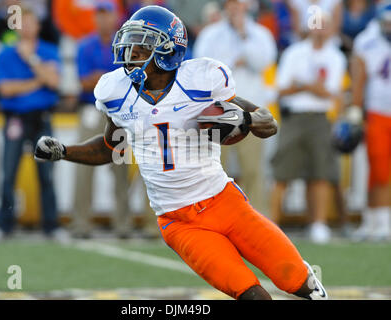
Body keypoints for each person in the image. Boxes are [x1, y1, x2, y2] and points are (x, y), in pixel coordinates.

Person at [34, 5, 328, 300]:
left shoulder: (200, 80)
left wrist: (245, 120)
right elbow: (109, 147)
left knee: (295, 278)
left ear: (166, 49)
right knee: (252, 295)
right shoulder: (115, 92)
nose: (130, 49)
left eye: (141, 43)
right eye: (130, 41)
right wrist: (64, 151)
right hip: (179, 223)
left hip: (225, 203)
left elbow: (268, 121)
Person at [0, 8, 69, 244]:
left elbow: (54, 82)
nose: (27, 28)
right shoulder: (5, 53)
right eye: (23, 23)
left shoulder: (48, 50)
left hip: (42, 117)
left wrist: (31, 60)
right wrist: (37, 80)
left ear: (38, 26)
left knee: (47, 174)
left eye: (31, 23)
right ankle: (4, 225)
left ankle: (51, 226)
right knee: (8, 173)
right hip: (15, 117)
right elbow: (5, 89)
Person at [193, 0, 277, 215]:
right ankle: (214, 218)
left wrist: (242, 35)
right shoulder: (211, 34)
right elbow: (202, 69)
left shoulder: (260, 34)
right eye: (231, 3)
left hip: (250, 111)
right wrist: (233, 60)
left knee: (253, 170)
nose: (235, 8)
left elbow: (263, 62)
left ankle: (258, 219)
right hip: (216, 112)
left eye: (238, 3)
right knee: (214, 171)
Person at [270, 12, 347, 244]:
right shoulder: (294, 52)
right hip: (294, 117)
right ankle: (271, 223)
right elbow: (281, 89)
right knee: (282, 172)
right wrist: (312, 87)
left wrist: (302, 85)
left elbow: (331, 92)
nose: (319, 30)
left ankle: (318, 223)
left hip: (320, 117)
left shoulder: (334, 56)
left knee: (319, 173)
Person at [71, 1, 133, 239]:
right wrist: (110, 80)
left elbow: (128, 79)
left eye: (107, 15)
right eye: (100, 15)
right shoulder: (85, 46)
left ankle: (123, 223)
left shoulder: (126, 45)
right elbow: (84, 81)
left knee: (120, 168)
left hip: (119, 112)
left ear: (115, 17)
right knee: (84, 164)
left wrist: (102, 79)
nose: (103, 20)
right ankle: (81, 222)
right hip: (93, 108)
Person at [348, 1, 391, 241]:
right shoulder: (368, 40)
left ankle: (379, 220)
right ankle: (376, 219)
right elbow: (359, 77)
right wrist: (355, 108)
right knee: (378, 167)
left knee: (382, 169)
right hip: (378, 112)